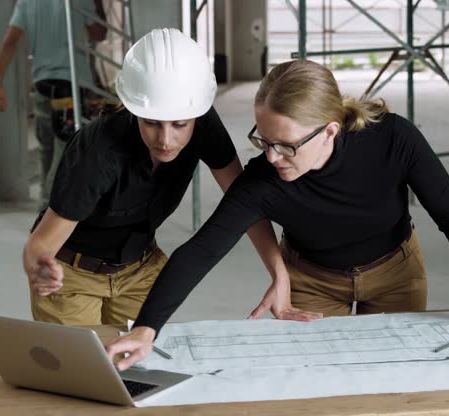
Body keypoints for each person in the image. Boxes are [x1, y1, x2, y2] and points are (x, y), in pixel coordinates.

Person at [105, 59, 449, 416]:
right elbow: (200, 250)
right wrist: (147, 328)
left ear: (330, 130)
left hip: (395, 274)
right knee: (319, 413)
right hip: (310, 282)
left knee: (388, 408)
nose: (273, 157)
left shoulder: (394, 140)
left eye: (286, 146)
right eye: (264, 140)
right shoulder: (264, 180)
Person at [22, 29, 318, 330]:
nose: (166, 140)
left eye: (179, 124)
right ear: (134, 107)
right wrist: (40, 265)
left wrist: (279, 274)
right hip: (73, 276)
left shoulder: (201, 121)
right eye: (151, 123)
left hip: (139, 269)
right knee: (80, 372)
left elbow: (245, 201)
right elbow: (40, 243)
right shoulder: (97, 150)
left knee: (138, 369)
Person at [0, 0, 106, 206]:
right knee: (65, 149)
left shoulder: (26, 2)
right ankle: (48, 206)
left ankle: (45, 207)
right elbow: (100, 34)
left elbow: (10, 41)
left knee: (46, 148)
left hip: (42, 84)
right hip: (69, 84)